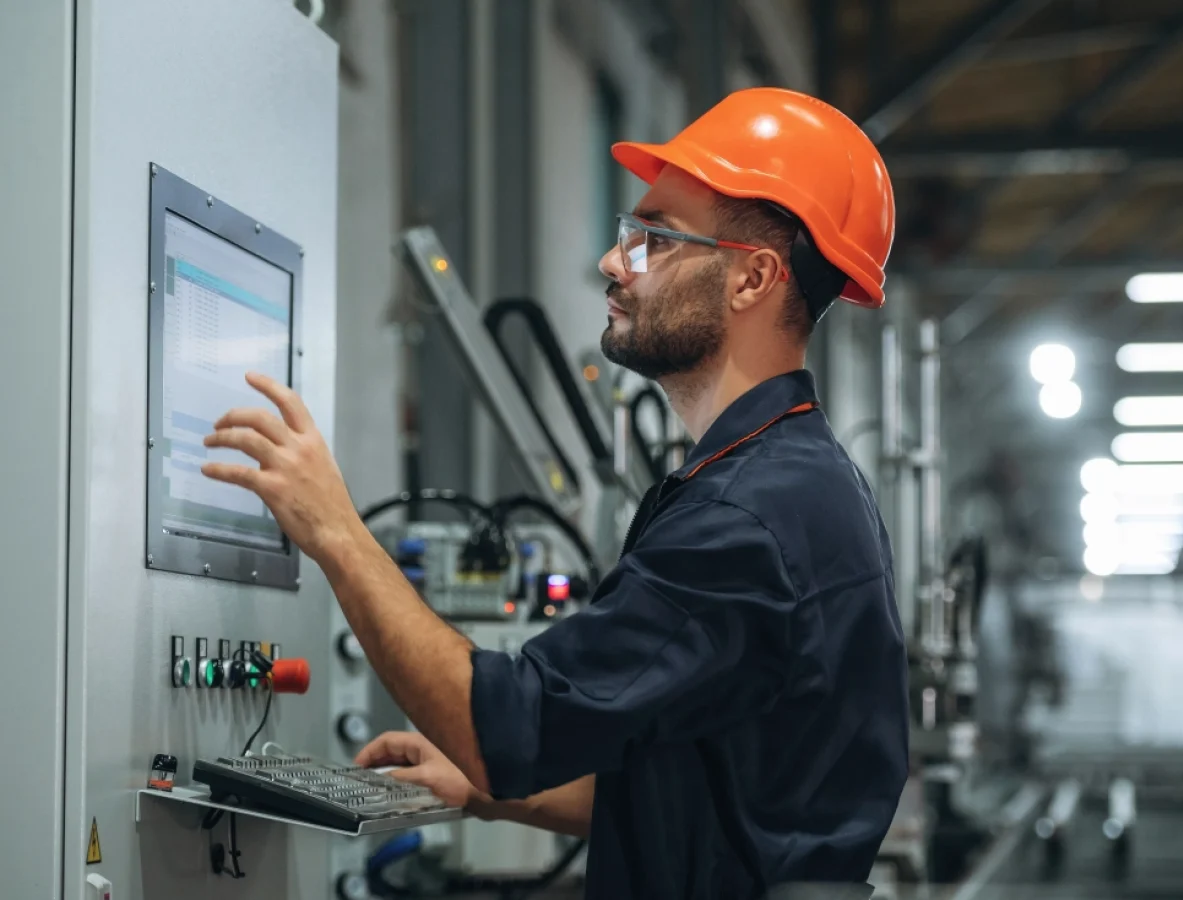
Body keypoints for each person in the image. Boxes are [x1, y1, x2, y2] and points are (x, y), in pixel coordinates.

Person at [201, 87, 908, 899]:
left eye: (654, 238)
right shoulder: (791, 479)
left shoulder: (747, 516)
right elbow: (707, 797)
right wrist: (489, 794)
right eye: (624, 234)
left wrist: (334, 529)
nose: (615, 262)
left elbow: (502, 725)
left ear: (752, 278)